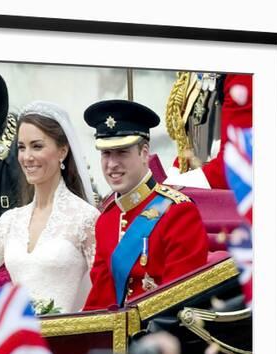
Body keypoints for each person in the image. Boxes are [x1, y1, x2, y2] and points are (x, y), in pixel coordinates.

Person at [0, 101, 100, 313]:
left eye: (37, 146)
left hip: (68, 341)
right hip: (20, 341)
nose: (27, 157)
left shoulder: (85, 217)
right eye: (21, 147)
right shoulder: (10, 221)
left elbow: (102, 291)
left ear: (62, 151)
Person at [82, 100, 209, 310]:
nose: (112, 164)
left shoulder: (178, 212)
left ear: (144, 153)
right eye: (106, 153)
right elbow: (100, 303)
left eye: (122, 152)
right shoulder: (106, 220)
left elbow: (179, 303)